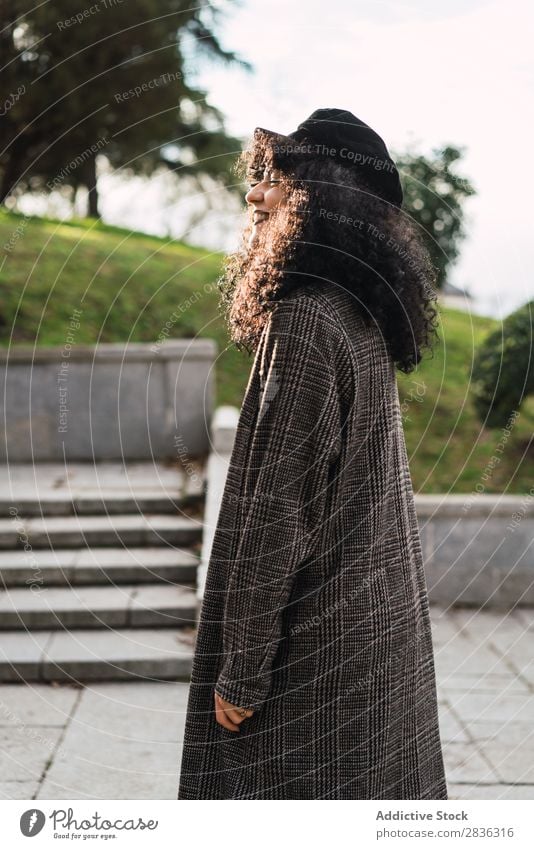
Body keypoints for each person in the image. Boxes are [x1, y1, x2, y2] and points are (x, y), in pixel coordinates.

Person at [177, 108, 448, 800]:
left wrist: (241, 672)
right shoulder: (361, 312)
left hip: (315, 658)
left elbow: (277, 515)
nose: (255, 195)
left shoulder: (306, 321)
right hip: (374, 644)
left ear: (323, 193)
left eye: (276, 177)